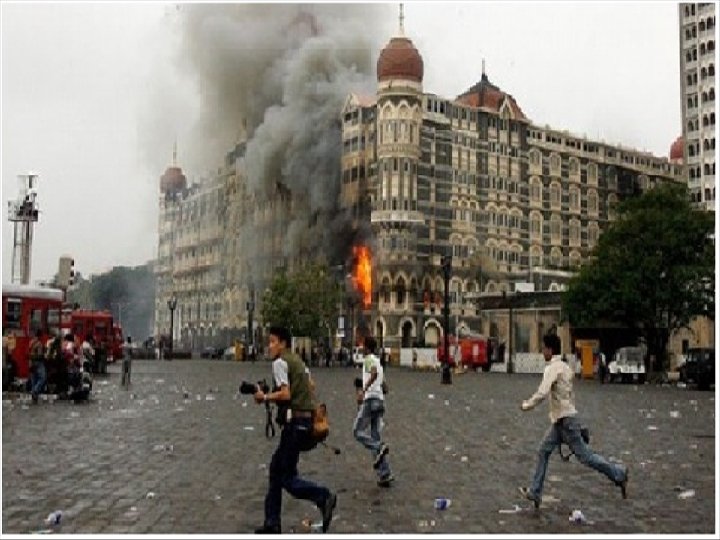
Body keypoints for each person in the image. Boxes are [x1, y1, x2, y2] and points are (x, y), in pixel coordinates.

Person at [518, 333, 629, 508]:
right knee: (543, 451)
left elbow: (542, 392)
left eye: (543, 348)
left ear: (549, 349)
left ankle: (619, 473)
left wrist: (526, 405)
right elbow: (570, 396)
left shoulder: (552, 369)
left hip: (565, 422)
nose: (542, 352)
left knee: (586, 457)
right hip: (562, 421)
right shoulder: (565, 367)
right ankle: (535, 492)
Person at [252, 325, 337, 534]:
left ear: (283, 343)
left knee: (286, 477)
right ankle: (272, 522)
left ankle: (323, 496)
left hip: (295, 424)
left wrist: (265, 397)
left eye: (273, 341)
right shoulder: (298, 361)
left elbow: (286, 394)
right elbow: (311, 385)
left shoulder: (280, 363)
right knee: (276, 469)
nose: (270, 346)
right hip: (305, 422)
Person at [353, 336, 393, 487]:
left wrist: (363, 391)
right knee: (375, 436)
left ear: (367, 347)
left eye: (363, 346)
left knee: (357, 431)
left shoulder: (368, 359)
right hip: (380, 402)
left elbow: (374, 373)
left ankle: (379, 447)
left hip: (371, 400)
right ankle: (384, 473)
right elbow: (385, 387)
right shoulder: (378, 362)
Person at [29, 329, 46, 403]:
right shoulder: (39, 344)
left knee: (34, 380)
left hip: (31, 363)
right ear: (40, 336)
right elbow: (39, 355)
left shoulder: (31, 342)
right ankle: (35, 391)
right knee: (43, 378)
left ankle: (34, 398)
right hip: (38, 363)